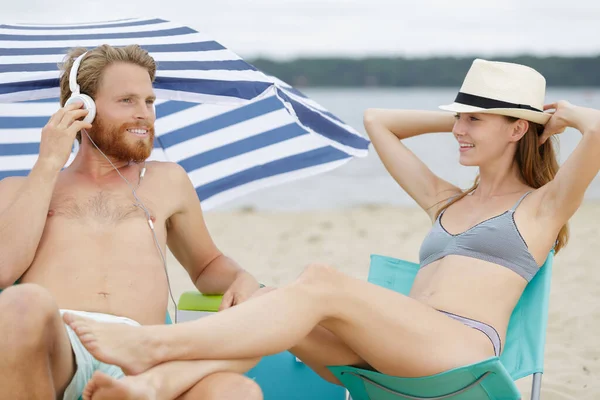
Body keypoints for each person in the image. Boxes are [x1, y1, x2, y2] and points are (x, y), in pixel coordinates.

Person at [64, 59, 600, 397]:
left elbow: (596, 131)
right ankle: (154, 385)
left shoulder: (541, 208)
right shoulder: (447, 200)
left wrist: (560, 113)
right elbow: (376, 122)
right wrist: (465, 115)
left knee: (320, 278)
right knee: (267, 307)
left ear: (518, 128)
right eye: (458, 118)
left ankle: (153, 346)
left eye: (472, 120)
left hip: (460, 353)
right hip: (391, 350)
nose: (458, 130)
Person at [0, 44, 264, 400]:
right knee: (25, 302)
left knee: (236, 390)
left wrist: (240, 276)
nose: (145, 114)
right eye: (127, 101)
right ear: (81, 107)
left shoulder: (168, 180)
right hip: (61, 351)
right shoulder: (22, 188)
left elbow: (207, 265)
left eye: (149, 102)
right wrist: (47, 163)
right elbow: (4, 269)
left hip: (141, 353)